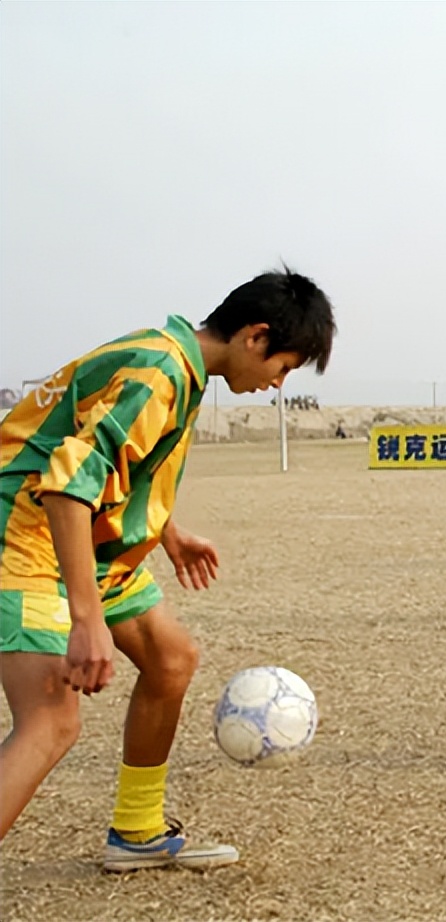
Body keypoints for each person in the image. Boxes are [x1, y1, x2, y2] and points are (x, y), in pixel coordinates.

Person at [0, 269, 336, 870]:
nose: (278, 384)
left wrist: (166, 531)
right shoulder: (160, 372)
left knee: (170, 658)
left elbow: (116, 462)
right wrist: (86, 620)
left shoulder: (178, 365)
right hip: (25, 536)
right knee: (50, 722)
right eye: (283, 367)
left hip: (89, 539)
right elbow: (67, 487)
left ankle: (136, 832)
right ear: (255, 337)